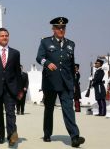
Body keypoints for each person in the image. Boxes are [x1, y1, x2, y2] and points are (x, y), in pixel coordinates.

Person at [36, 17, 85, 147]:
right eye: (58, 27)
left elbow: (71, 65)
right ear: (53, 29)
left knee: (69, 109)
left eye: (63, 28)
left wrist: (74, 84)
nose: (61, 29)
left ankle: (75, 137)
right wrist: (47, 63)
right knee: (49, 109)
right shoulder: (45, 42)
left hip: (66, 83)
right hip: (50, 82)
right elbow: (39, 57)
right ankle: (47, 133)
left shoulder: (71, 44)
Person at [0, 28, 23, 146]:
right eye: (2, 36)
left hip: (11, 88)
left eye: (6, 35)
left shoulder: (15, 53)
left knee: (11, 112)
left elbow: (18, 72)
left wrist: (20, 89)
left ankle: (11, 136)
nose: (4, 37)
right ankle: (1, 136)